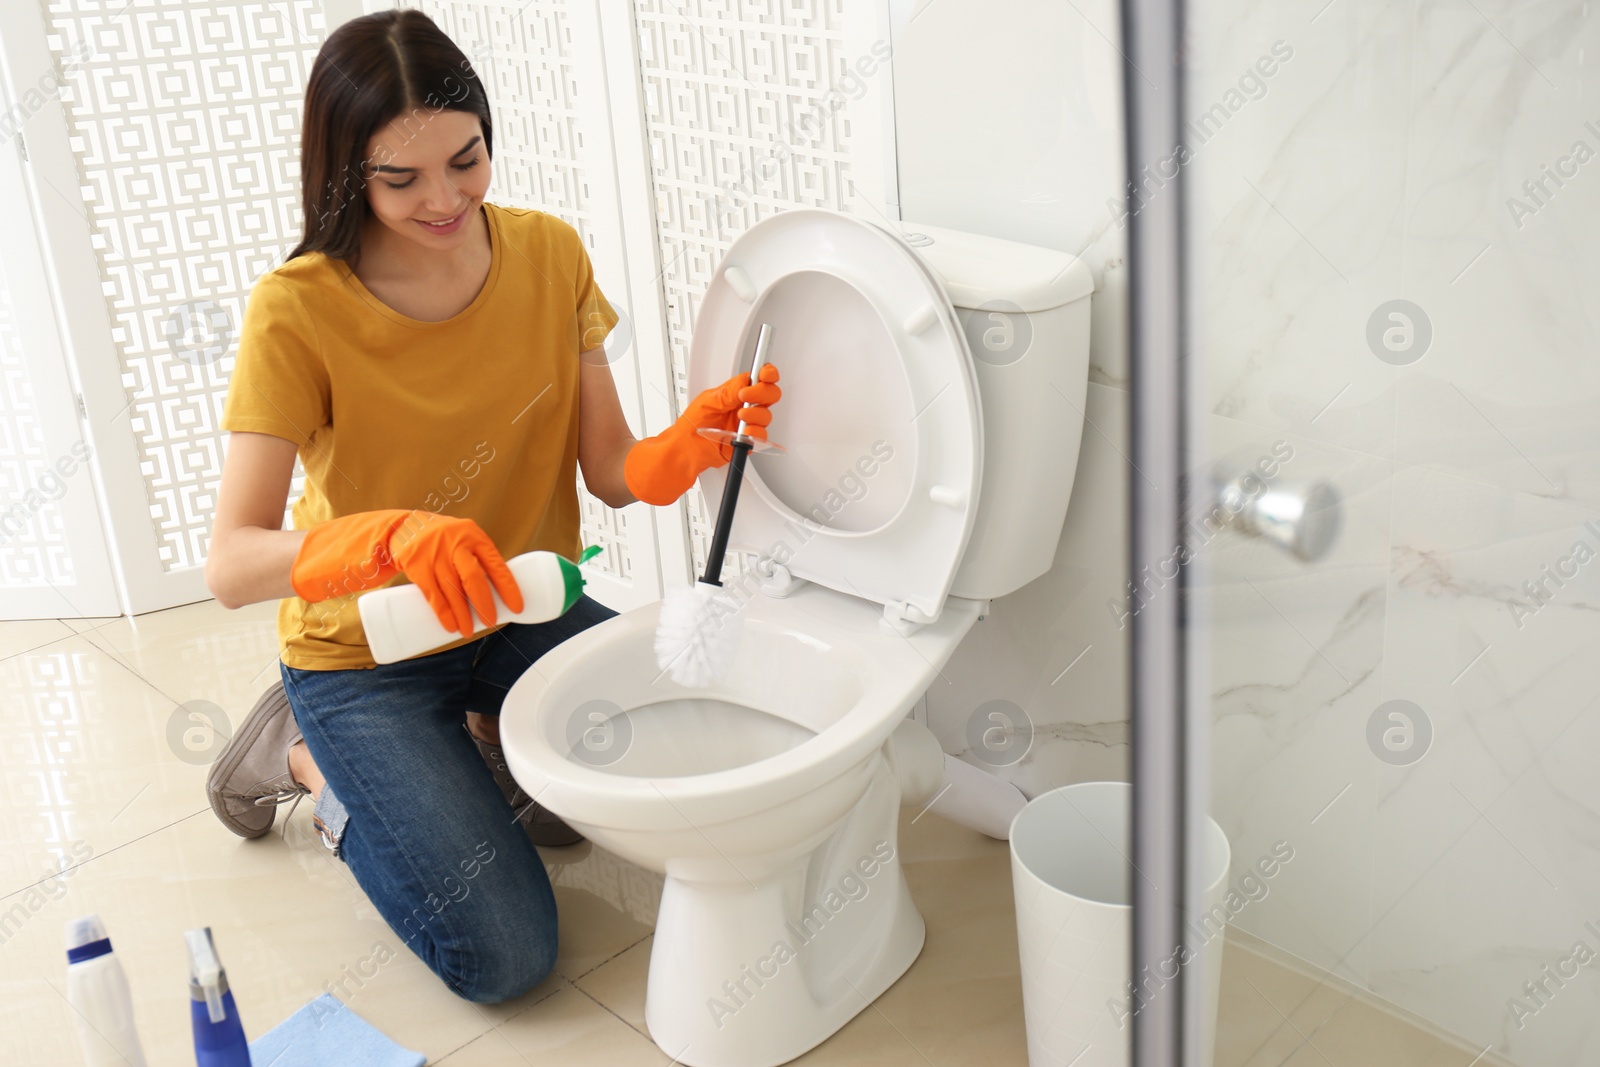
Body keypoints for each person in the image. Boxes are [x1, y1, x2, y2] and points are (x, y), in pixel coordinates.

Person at [201, 9, 781, 1004]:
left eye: (465, 160)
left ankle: (481, 731)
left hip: (516, 602)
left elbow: (611, 468)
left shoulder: (548, 254)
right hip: (365, 654)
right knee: (504, 955)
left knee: (692, 764)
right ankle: (308, 759)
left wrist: (691, 439)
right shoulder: (296, 308)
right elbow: (230, 561)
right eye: (401, 179)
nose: (446, 199)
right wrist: (385, 535)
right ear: (346, 172)